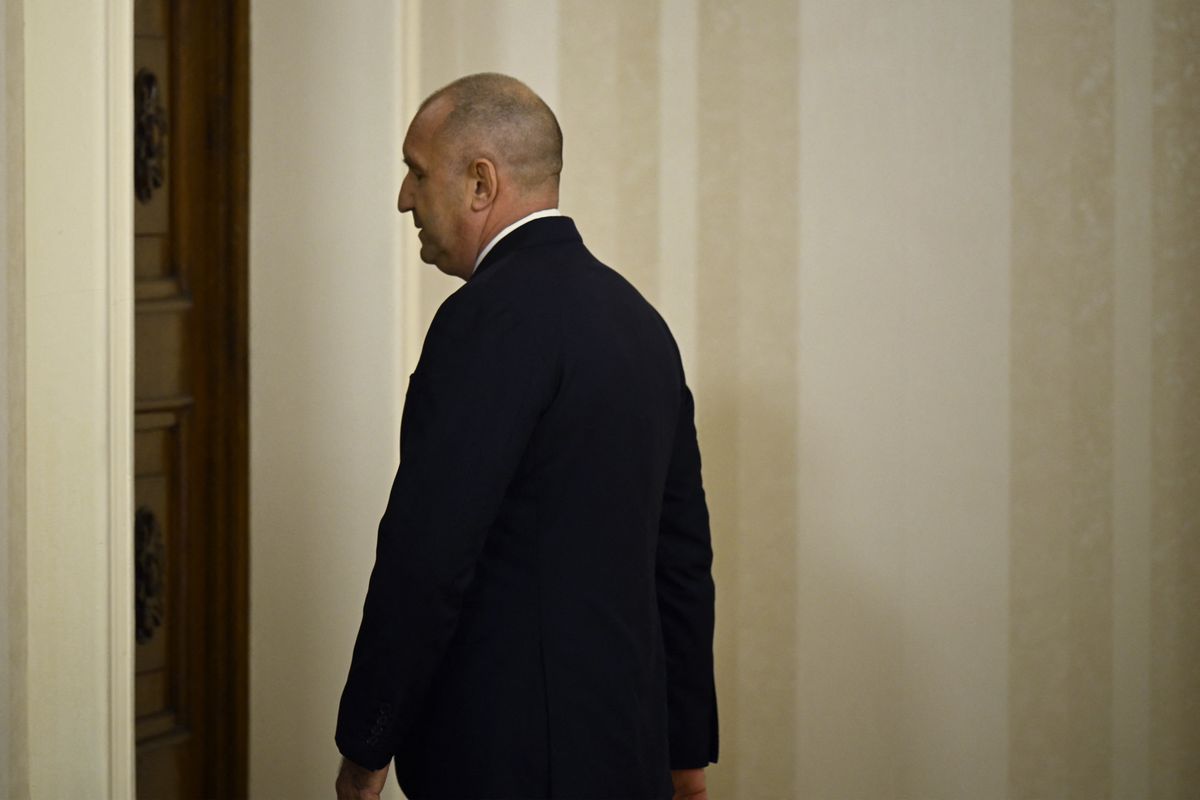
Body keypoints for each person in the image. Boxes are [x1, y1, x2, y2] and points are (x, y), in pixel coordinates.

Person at [334, 73, 718, 800]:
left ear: (482, 183)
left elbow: (427, 557)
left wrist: (366, 743)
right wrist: (685, 751)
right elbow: (681, 561)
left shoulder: (481, 323)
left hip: (500, 765)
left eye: (417, 172)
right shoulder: (641, 325)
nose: (404, 198)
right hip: (627, 755)